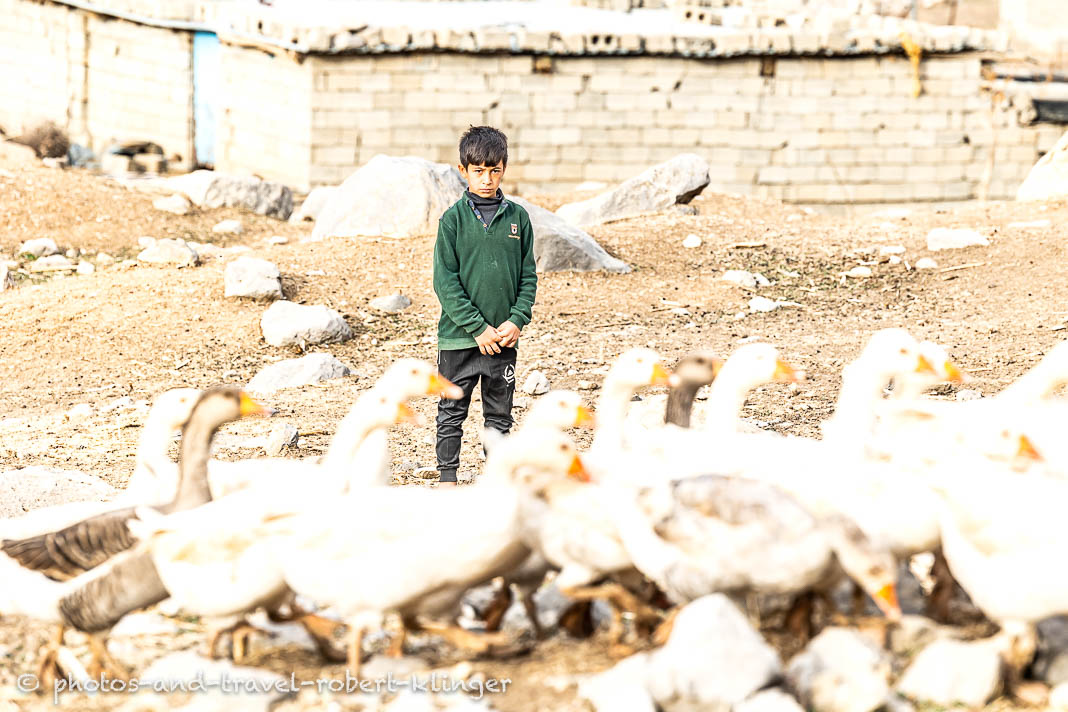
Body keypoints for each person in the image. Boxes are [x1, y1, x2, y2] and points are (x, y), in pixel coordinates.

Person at [432, 126, 537, 487]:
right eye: (478, 171)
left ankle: (497, 481)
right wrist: (476, 327)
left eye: (494, 170)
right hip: (460, 339)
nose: (487, 179)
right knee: (451, 412)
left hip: (504, 339)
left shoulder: (518, 219)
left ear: (504, 168)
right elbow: (445, 282)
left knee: (499, 415)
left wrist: (517, 320)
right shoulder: (453, 221)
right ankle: (448, 480)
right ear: (464, 171)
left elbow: (528, 276)